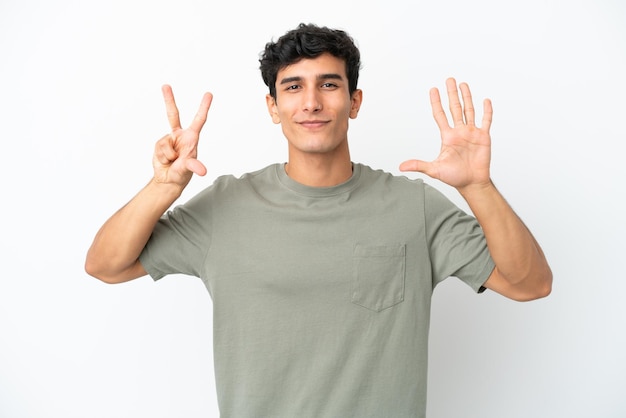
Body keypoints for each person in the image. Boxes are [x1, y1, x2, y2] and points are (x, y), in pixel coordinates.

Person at [85, 23, 552, 418]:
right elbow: (105, 265)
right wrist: (163, 189)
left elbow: (530, 283)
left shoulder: (416, 207)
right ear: (273, 107)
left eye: (329, 84)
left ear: (355, 101)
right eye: (293, 87)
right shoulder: (225, 206)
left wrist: (477, 188)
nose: (311, 102)